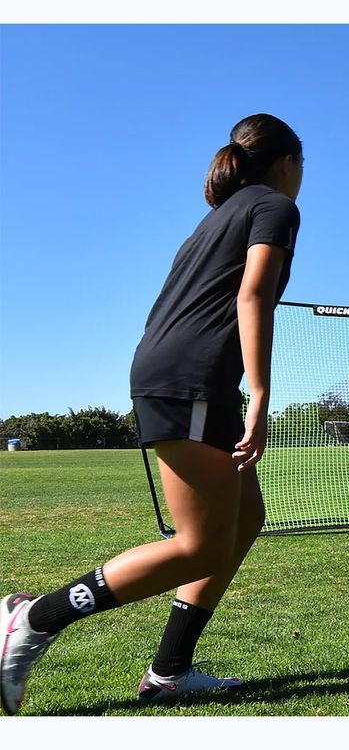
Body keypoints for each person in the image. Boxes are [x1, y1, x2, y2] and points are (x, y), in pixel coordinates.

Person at [0, 113, 303, 715]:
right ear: (288, 162)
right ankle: (32, 618)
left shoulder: (213, 220)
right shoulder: (273, 205)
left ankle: (168, 672)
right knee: (198, 546)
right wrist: (263, 395)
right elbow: (252, 294)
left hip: (185, 374)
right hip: (189, 379)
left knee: (244, 521)